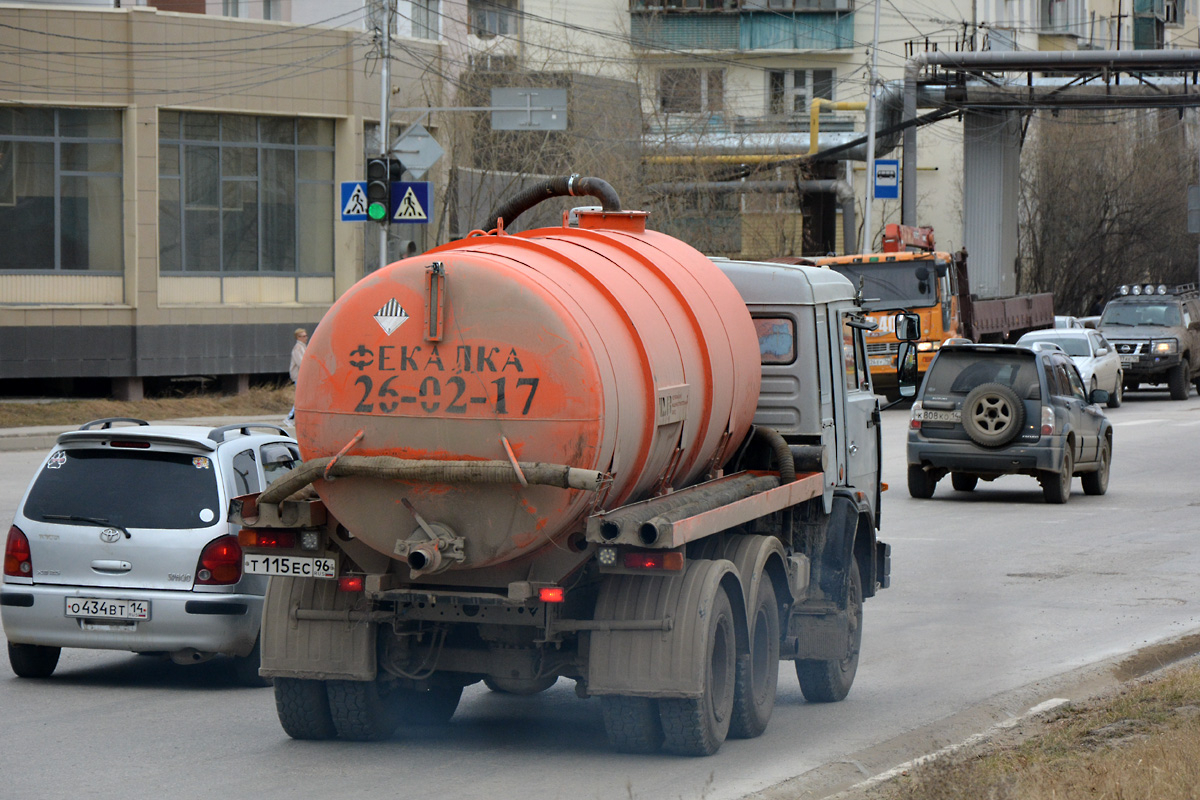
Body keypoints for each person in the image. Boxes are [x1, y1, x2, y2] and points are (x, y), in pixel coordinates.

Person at [285, 328, 307, 425]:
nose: (306, 338)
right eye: (303, 336)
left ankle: (296, 418)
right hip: (299, 376)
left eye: (306, 335)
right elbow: (301, 363)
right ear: (298, 337)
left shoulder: (302, 347)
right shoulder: (298, 348)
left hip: (302, 376)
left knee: (302, 398)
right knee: (300, 398)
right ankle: (290, 417)